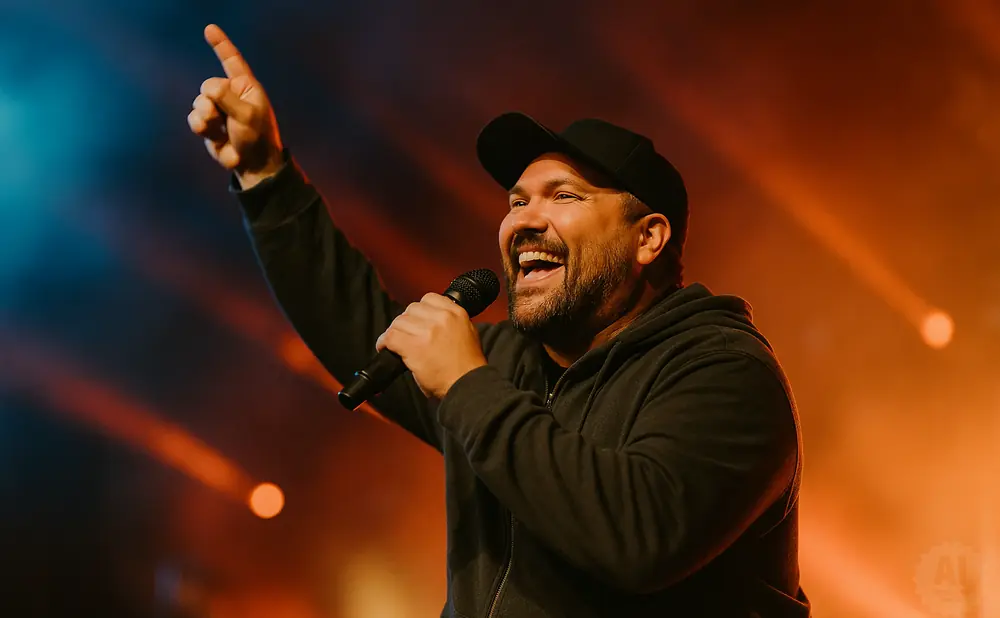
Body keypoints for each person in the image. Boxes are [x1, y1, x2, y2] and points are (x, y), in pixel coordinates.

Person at [188, 23, 810, 618]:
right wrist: (264, 172)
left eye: (564, 196)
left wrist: (466, 386)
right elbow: (357, 320)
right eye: (517, 201)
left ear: (647, 238)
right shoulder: (506, 365)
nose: (522, 221)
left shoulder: (724, 372)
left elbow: (640, 537)